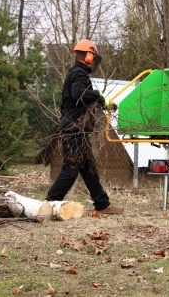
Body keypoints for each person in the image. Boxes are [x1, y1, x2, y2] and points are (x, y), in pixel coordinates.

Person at [45, 39, 123, 214]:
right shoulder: (79, 73)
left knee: (89, 167)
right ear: (88, 56)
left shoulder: (77, 73)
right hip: (74, 129)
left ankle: (102, 204)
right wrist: (97, 95)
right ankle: (49, 205)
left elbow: (81, 98)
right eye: (93, 57)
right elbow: (78, 93)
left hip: (78, 129)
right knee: (71, 167)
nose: (94, 61)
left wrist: (102, 103)